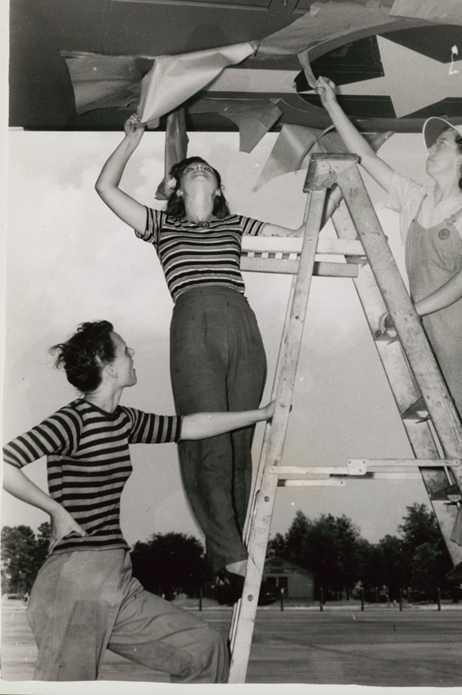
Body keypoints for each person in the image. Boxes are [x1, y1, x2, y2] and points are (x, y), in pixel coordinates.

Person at [95, 115, 340, 603]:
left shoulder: (236, 224)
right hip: (192, 325)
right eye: (190, 171)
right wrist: (130, 141)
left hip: (241, 324)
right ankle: (232, 554)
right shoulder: (160, 224)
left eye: (207, 169)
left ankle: (226, 559)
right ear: (178, 189)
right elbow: (105, 187)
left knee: (238, 443)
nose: (200, 172)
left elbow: (298, 236)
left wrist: (333, 191)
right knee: (207, 438)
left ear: (219, 186)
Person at [3, 320, 275, 681]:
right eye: (125, 350)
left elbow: (190, 426)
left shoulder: (123, 421)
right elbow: (1, 463)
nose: (133, 355)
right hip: (75, 583)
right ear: (110, 367)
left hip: (118, 578)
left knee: (206, 650)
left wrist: (262, 414)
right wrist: (55, 510)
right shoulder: (73, 420)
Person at [315, 76, 462, 584]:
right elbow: (366, 159)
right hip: (425, 330)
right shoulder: (416, 200)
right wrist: (333, 104)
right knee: (446, 435)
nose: (433, 149)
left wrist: (409, 310)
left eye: (442, 144)